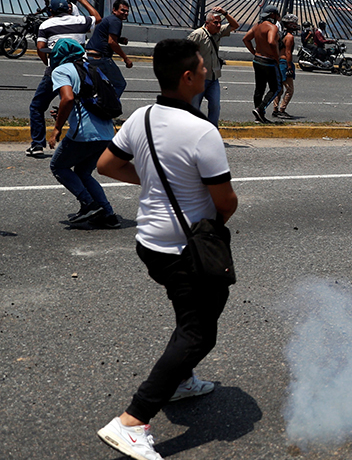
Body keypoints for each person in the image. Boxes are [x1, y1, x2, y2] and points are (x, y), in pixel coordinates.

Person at [96, 38, 238, 460]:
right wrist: (206, 226)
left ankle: (180, 381)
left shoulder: (141, 116)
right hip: (183, 249)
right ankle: (132, 421)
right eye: (202, 66)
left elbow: (105, 165)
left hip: (149, 244)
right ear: (188, 77)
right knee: (199, 332)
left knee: (188, 311)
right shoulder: (201, 131)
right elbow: (226, 201)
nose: (208, 71)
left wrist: (159, 185)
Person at [46, 38, 120, 228]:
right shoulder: (92, 68)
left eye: (52, 53)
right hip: (105, 132)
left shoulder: (61, 70)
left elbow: (68, 99)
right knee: (83, 171)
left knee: (59, 167)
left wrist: (56, 128)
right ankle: (108, 215)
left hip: (84, 133)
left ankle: (89, 204)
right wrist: (64, 113)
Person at [26, 0, 102, 157]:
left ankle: (38, 145)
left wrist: (47, 62)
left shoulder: (46, 24)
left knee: (37, 106)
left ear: (51, 11)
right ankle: (86, 143)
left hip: (57, 69)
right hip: (81, 71)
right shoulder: (80, 21)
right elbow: (98, 18)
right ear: (68, 9)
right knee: (83, 104)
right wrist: (83, 1)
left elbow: (40, 47)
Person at [188, 7, 239, 127]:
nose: (218, 25)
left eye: (220, 22)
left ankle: (212, 130)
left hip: (213, 77)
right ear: (207, 23)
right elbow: (186, 53)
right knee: (194, 108)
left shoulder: (218, 33)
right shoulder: (197, 35)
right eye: (215, 22)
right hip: (199, 79)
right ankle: (192, 131)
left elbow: (235, 25)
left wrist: (225, 13)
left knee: (215, 106)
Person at [242, 4, 281, 124]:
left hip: (257, 60)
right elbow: (271, 41)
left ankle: (258, 115)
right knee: (276, 88)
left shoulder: (256, 26)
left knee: (259, 88)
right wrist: (276, 56)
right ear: (273, 15)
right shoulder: (272, 27)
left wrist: (254, 52)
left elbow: (245, 39)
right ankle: (260, 108)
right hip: (268, 61)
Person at [85, 0, 132, 97]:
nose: (126, 13)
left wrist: (120, 39)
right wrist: (126, 58)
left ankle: (97, 104)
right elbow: (112, 42)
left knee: (99, 85)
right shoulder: (116, 21)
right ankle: (109, 108)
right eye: (123, 10)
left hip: (89, 56)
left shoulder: (109, 19)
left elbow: (106, 37)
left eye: (127, 11)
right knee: (119, 84)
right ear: (114, 10)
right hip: (100, 58)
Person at [272, 14, 299, 119]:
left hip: (279, 61)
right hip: (284, 62)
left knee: (280, 88)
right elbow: (288, 52)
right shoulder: (289, 37)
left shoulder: (281, 35)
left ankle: (275, 109)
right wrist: (289, 66)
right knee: (289, 89)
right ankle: (282, 109)